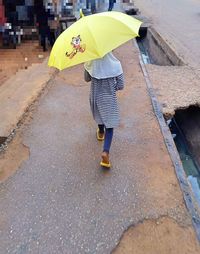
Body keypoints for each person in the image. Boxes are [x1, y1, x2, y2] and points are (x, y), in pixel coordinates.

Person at [84, 52, 124, 168]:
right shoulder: (116, 64)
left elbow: (86, 79)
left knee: (99, 115)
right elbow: (121, 85)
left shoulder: (90, 62)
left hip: (95, 96)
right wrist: (112, 88)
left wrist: (87, 65)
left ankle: (100, 132)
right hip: (108, 98)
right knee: (110, 126)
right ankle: (105, 152)